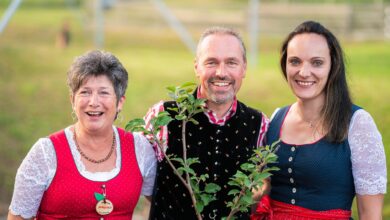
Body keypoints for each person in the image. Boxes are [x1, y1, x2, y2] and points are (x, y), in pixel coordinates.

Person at [252, 21, 387, 219]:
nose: (304, 72)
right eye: (295, 61)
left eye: (317, 62)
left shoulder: (358, 124)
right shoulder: (277, 117)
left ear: (333, 66)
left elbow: (371, 215)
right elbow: (261, 193)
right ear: (285, 65)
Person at [8, 50, 157, 219]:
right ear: (72, 100)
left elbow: (163, 204)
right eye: (85, 92)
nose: (93, 102)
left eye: (104, 92)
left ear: (120, 101)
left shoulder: (140, 149)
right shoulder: (45, 153)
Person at [143, 26, 269, 219]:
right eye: (211, 62)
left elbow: (262, 189)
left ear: (244, 68)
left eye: (231, 63)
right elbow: (142, 182)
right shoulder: (162, 116)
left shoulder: (259, 124)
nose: (221, 72)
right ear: (197, 67)